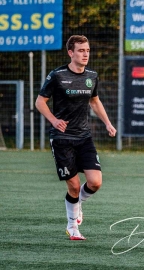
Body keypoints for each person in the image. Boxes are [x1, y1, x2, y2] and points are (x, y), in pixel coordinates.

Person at [35, 35, 116, 240]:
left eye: (87, 50)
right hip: (62, 138)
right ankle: (72, 226)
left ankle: (77, 203)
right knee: (72, 185)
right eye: (81, 50)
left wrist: (107, 123)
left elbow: (95, 102)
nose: (85, 54)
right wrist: (54, 120)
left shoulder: (92, 76)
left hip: (84, 137)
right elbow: (40, 102)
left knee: (95, 182)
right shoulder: (57, 75)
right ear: (70, 53)